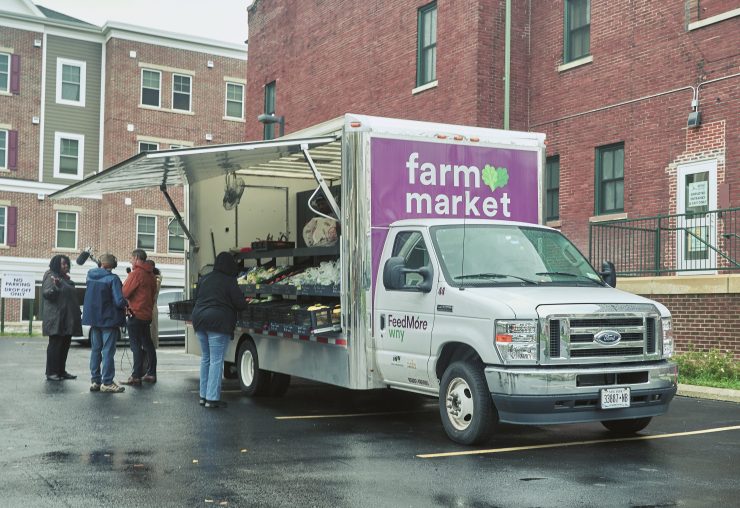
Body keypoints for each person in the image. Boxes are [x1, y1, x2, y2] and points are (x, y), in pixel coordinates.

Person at [192, 251, 247, 408]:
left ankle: (203, 396)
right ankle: (212, 398)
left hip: (200, 320)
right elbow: (240, 303)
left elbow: (197, 299)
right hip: (218, 321)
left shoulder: (205, 279)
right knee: (216, 360)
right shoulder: (229, 281)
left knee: (206, 358)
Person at [83, 254, 127, 393]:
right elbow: (119, 301)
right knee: (108, 351)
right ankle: (107, 381)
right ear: (112, 266)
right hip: (109, 319)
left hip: (94, 319)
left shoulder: (90, 275)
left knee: (96, 350)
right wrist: (127, 302)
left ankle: (95, 380)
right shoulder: (113, 279)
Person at [41, 254, 83, 381]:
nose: (65, 266)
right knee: (55, 346)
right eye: (62, 263)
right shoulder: (51, 276)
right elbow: (47, 294)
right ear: (56, 264)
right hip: (56, 319)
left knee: (64, 345)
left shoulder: (65, 279)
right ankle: (52, 372)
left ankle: (61, 371)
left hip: (67, 319)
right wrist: (56, 287)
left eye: (66, 263)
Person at [121, 249, 157, 385]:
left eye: (131, 258)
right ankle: (151, 373)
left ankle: (136, 375)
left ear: (136, 257)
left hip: (135, 313)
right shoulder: (151, 275)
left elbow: (125, 292)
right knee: (148, 344)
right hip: (146, 314)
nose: (131, 261)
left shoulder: (136, 274)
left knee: (135, 345)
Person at [146, 260, 162, 349]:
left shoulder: (156, 280)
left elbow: (153, 294)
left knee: (151, 335)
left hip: (151, 308)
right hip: (149, 308)